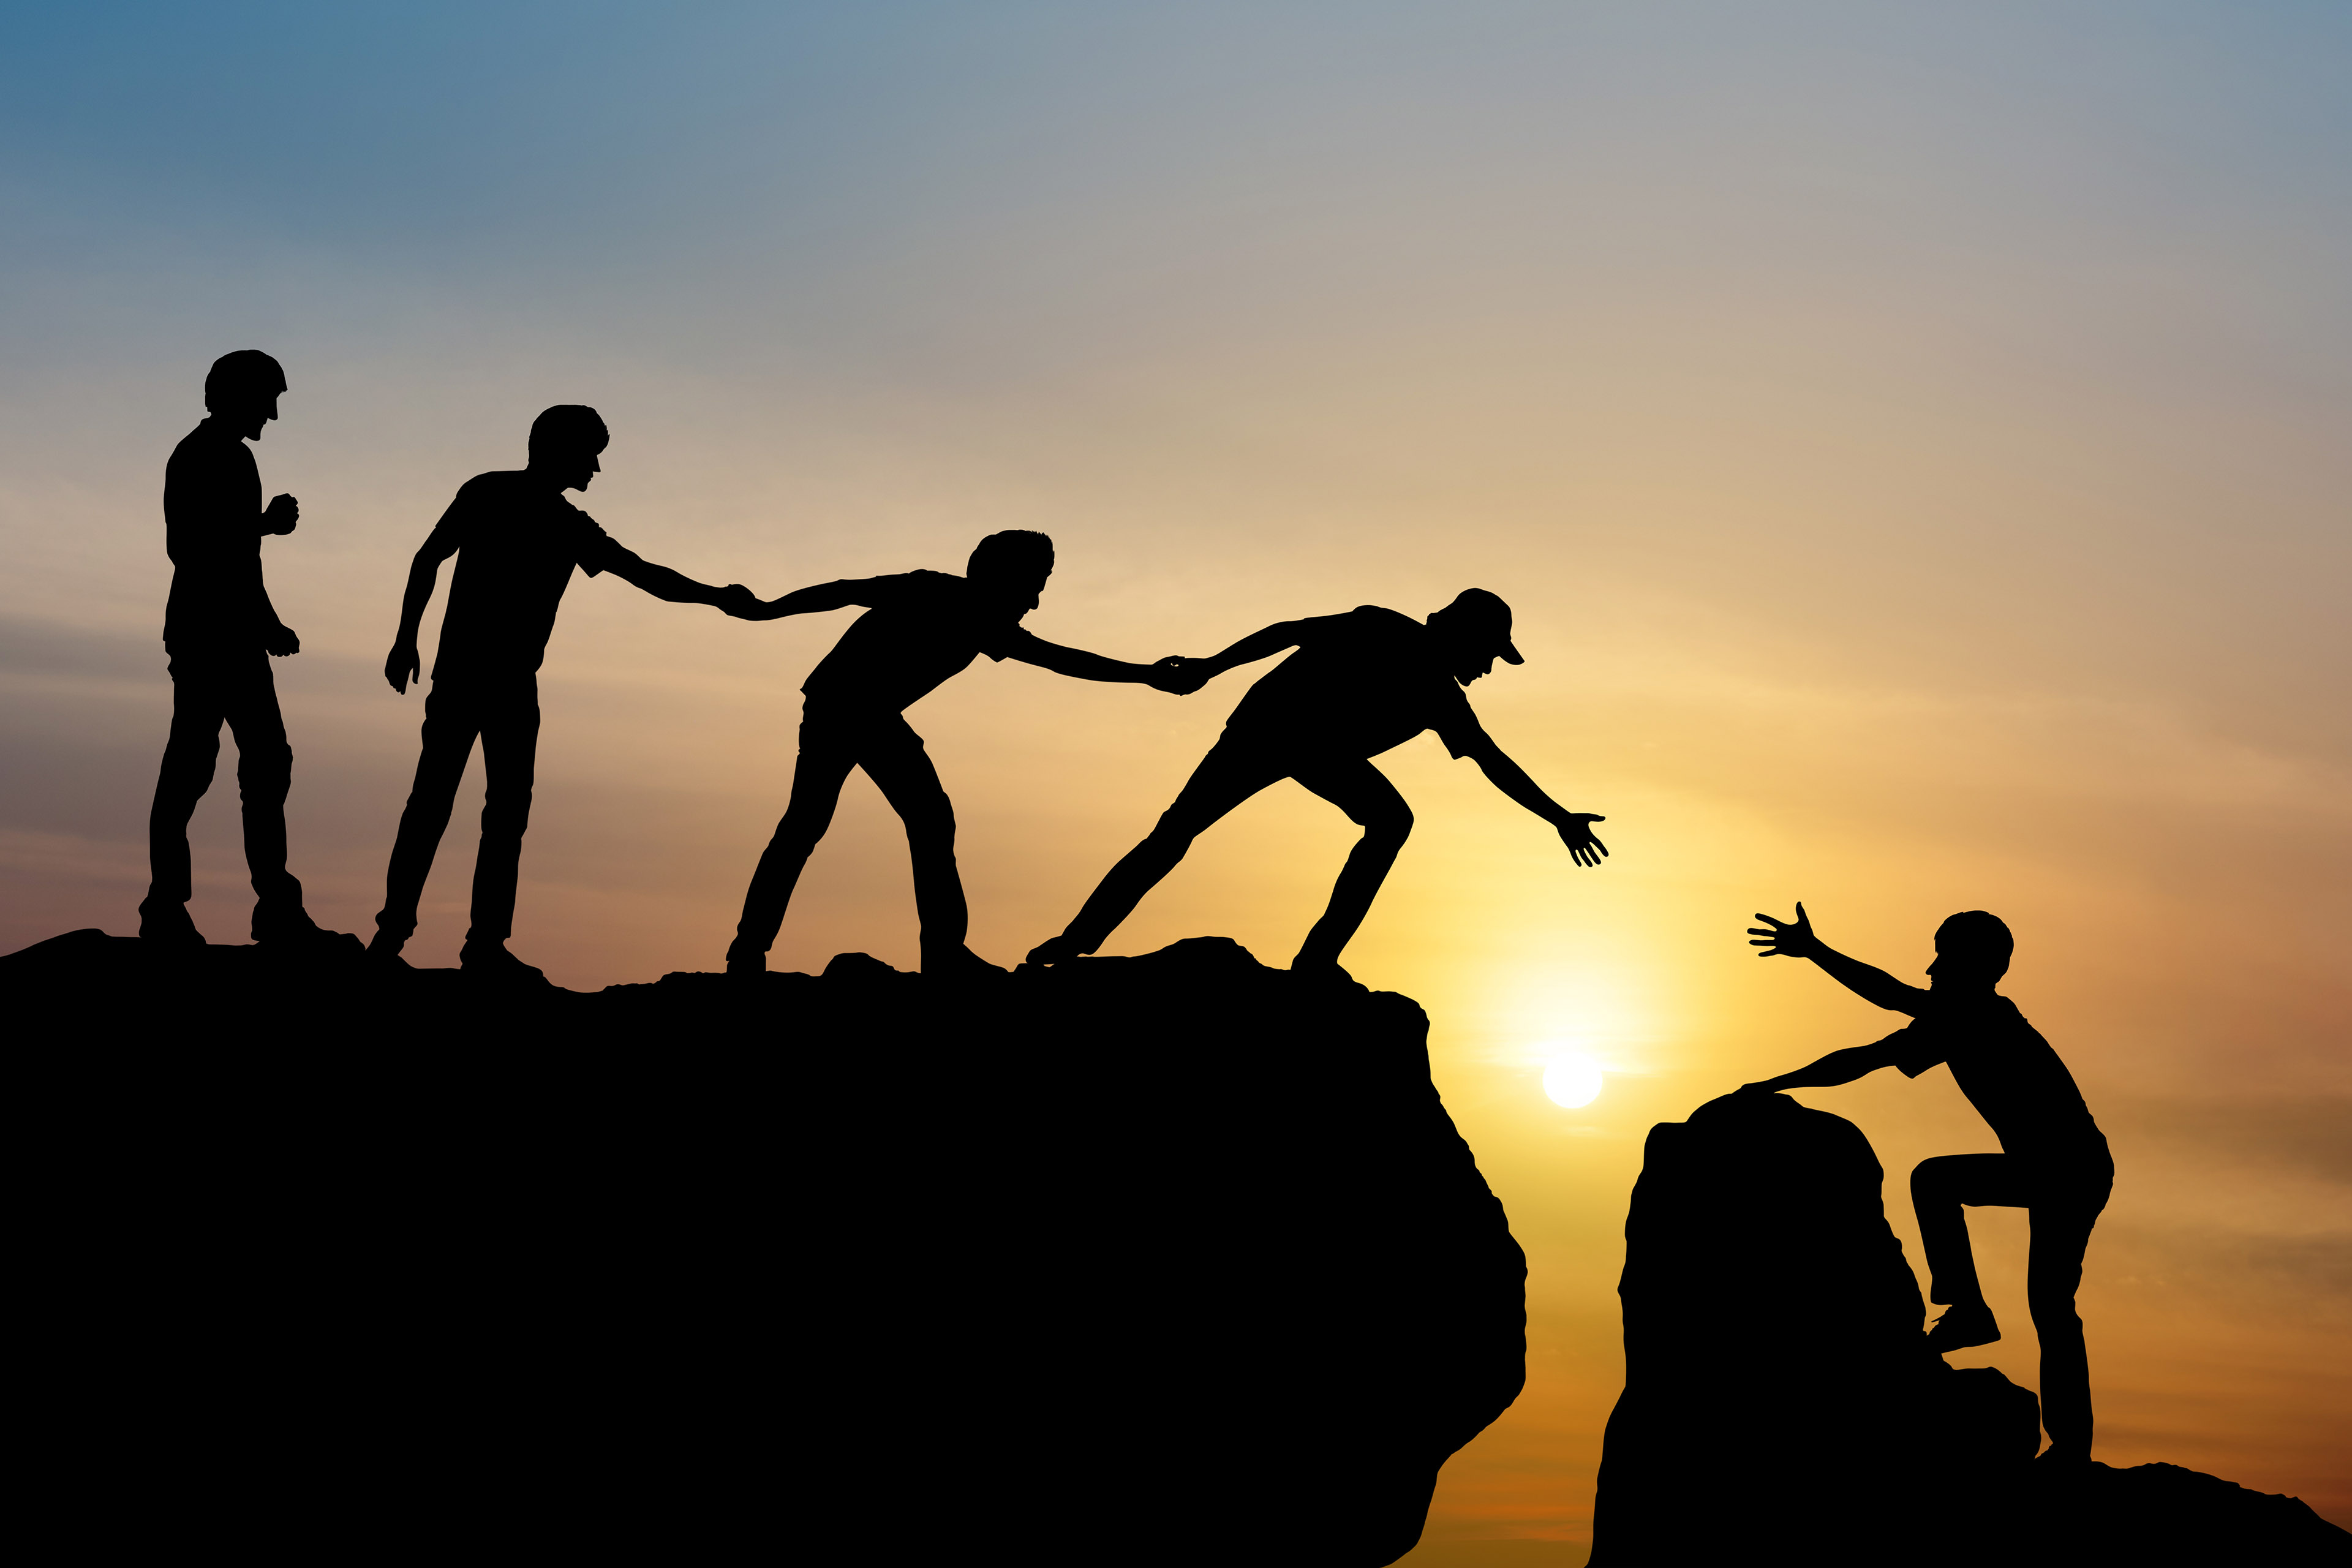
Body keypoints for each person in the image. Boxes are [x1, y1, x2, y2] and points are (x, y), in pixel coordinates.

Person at [1023, 590, 1608, 976]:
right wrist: (1211, 666)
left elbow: (1493, 761)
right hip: (1266, 728)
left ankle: (1315, 963)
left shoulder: (1442, 697)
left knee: (1389, 821)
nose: (1488, 668)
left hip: (1315, 748)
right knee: (1176, 834)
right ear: (1463, 633)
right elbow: (1290, 632)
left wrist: (1559, 817)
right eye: (1488, 654)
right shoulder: (1381, 627)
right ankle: (1077, 940)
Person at [372, 405, 754, 981]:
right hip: (478, 681)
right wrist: (405, 639)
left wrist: (716, 597)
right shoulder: (513, 503)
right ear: (560, 450)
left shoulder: (543, 514)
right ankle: (414, 937)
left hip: (497, 684)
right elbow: (430, 558)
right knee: (451, 807)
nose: (596, 469)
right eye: (590, 455)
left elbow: (644, 574)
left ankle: (468, 943)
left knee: (480, 810)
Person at [1740, 903, 2112, 1464]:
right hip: (2068, 1168)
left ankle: (1972, 1313)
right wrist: (1776, 1084)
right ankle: (2067, 1438)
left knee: (1943, 1188)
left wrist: (1816, 952)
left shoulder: (1982, 1016)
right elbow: (1866, 1057)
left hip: (2071, 1167)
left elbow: (1890, 996)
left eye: (1944, 957)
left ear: (1976, 966)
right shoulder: (1953, 1024)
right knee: (2050, 1303)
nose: (1932, 969)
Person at [722, 530, 1186, 978]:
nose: (1035, 601)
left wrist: (1144, 675)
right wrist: (766, 610)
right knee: (904, 820)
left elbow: (1056, 657)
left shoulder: (980, 618)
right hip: (851, 707)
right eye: (1033, 583)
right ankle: (940, 953)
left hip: (848, 707)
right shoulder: (939, 594)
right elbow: (844, 591)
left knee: (818, 825)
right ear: (1002, 575)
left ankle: (752, 948)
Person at [141, 350, 337, 946]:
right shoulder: (197, 455)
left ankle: (275, 906)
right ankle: (166, 907)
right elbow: (189, 548)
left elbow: (241, 566)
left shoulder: (239, 458)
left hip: (239, 639)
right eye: (267, 401)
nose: (272, 415)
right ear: (236, 396)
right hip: (204, 638)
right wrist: (263, 525)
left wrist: (269, 625)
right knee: (191, 767)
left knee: (267, 762)